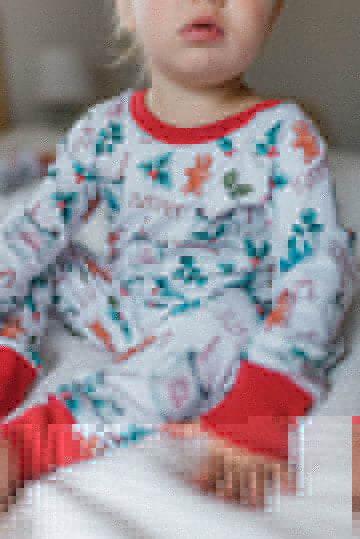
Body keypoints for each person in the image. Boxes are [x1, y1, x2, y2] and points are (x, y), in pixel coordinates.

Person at [0, 0, 359, 512]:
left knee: (249, 307)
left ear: (272, 13)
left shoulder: (284, 134)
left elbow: (314, 272)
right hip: (126, 307)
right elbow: (34, 232)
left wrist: (265, 398)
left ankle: (26, 443)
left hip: (218, 322)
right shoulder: (102, 128)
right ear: (127, 10)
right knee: (40, 254)